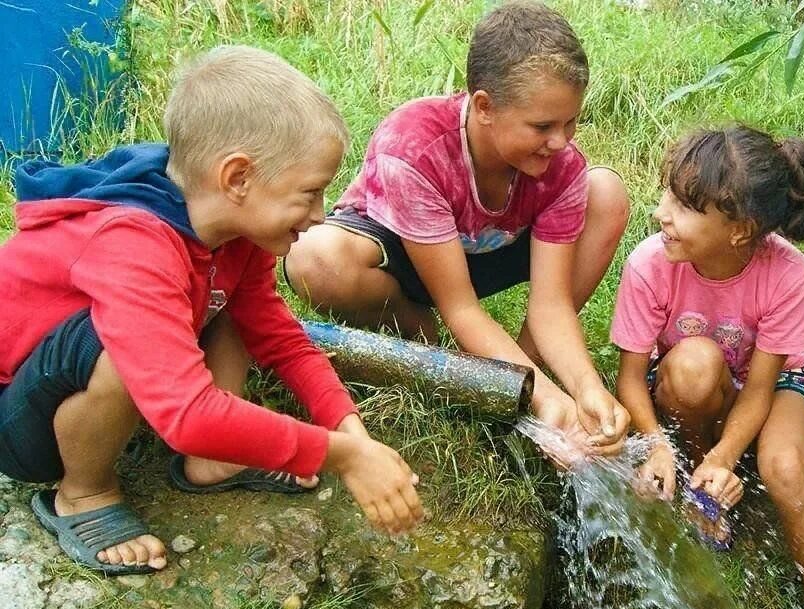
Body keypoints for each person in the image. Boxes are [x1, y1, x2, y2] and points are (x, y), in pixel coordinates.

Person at [0, 45, 424, 577]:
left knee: (233, 309)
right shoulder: (133, 243)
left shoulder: (235, 233)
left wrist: (355, 434)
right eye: (310, 192)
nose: (322, 214)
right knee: (115, 342)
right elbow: (186, 415)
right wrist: (338, 455)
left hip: (89, 389)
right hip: (17, 421)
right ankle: (83, 493)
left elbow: (281, 339)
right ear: (238, 178)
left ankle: (216, 459)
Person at [284, 0, 630, 460]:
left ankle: (524, 375)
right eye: (543, 125)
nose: (561, 141)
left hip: (489, 251)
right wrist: (547, 398)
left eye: (571, 122)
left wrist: (585, 387)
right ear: (484, 106)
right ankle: (429, 342)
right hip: (400, 255)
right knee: (313, 257)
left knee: (605, 192)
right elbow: (460, 305)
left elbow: (552, 305)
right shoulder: (414, 146)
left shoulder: (560, 167)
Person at [609, 125, 804, 609]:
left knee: (786, 468)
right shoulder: (652, 263)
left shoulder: (789, 274)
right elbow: (627, 378)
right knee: (693, 365)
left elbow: (763, 386)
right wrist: (658, 445)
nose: (662, 212)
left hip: (767, 389)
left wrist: (727, 455)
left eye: (686, 206)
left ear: (740, 231)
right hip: (692, 388)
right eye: (667, 194)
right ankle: (702, 489)